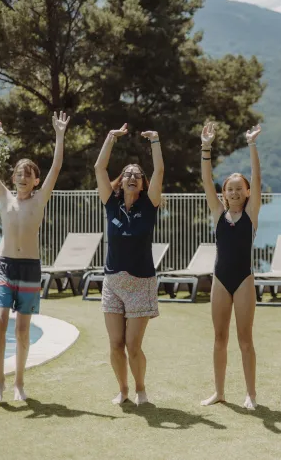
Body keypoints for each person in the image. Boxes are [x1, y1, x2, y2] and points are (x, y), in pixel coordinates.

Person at [0, 112, 70, 402]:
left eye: (28, 174)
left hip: (30, 269)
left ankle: (19, 382)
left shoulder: (40, 199)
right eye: (18, 173)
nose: (22, 177)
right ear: (13, 178)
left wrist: (59, 134)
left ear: (36, 180)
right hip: (6, 266)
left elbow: (57, 166)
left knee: (22, 329)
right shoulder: (5, 198)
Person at [94, 124, 163, 405]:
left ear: (143, 183)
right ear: (121, 181)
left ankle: (140, 388)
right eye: (127, 174)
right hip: (112, 283)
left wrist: (155, 142)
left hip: (141, 283)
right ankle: (122, 390)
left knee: (133, 346)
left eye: (137, 174)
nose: (132, 176)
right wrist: (110, 137)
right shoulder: (111, 203)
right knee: (115, 345)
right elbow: (99, 168)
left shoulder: (150, 205)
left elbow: (159, 171)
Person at [199, 121, 262, 410]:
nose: (234, 192)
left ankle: (251, 394)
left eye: (239, 189)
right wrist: (206, 147)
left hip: (244, 279)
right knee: (219, 338)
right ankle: (219, 392)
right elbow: (205, 180)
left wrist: (251, 144)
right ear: (224, 194)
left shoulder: (250, 214)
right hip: (220, 280)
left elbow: (257, 179)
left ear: (247, 193)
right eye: (230, 189)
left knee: (245, 339)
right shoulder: (218, 213)